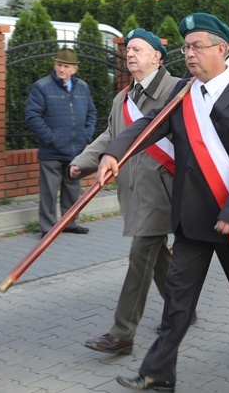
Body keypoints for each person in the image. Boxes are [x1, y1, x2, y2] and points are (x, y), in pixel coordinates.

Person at [97, 13, 229, 391]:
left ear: (222, 49)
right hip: (193, 221)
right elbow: (144, 127)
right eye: (186, 47)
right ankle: (159, 373)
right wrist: (115, 153)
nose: (189, 54)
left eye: (197, 46)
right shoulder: (182, 96)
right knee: (177, 299)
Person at [69, 29, 182, 356]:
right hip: (133, 189)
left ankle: (122, 334)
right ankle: (182, 310)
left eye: (138, 49)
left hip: (165, 189)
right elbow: (110, 137)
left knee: (140, 256)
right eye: (128, 49)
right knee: (158, 256)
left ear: (157, 56)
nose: (130, 54)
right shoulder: (123, 98)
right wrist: (82, 163)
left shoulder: (177, 90)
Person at [25, 47, 96, 238]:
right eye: (58, 64)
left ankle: (70, 222)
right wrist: (51, 138)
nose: (61, 69)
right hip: (52, 150)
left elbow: (91, 113)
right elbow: (32, 116)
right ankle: (48, 228)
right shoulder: (42, 87)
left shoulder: (82, 87)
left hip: (76, 149)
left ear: (74, 69)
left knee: (73, 189)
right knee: (49, 191)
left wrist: (85, 137)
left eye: (66, 66)